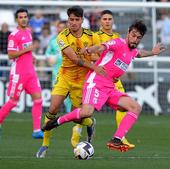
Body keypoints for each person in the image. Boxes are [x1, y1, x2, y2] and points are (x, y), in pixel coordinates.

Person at [41, 20, 165, 152]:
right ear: (128, 32)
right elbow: (102, 47)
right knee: (87, 112)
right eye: (133, 35)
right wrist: (89, 49)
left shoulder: (132, 51)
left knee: (135, 107)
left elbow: (139, 53)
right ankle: (57, 122)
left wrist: (153, 52)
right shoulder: (118, 43)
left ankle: (116, 139)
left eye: (138, 37)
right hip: (96, 82)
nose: (135, 39)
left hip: (109, 88)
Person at [36, 6, 104, 158]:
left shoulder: (92, 36)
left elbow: (100, 55)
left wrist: (95, 59)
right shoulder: (62, 36)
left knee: (77, 117)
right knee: (53, 108)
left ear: (82, 20)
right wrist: (93, 64)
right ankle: (44, 145)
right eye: (70, 19)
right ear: (68, 20)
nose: (73, 22)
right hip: (65, 76)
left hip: (82, 80)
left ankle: (90, 123)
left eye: (76, 20)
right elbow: (73, 58)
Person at [0, 8, 44, 139]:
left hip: (30, 72)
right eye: (20, 17)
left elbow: (27, 51)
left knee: (38, 99)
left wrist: (32, 56)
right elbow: (10, 54)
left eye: (25, 16)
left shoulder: (29, 32)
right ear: (16, 20)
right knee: (13, 101)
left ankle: (36, 130)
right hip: (19, 73)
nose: (23, 19)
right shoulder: (14, 35)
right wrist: (27, 50)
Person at [96, 10, 135, 148]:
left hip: (114, 79)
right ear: (100, 21)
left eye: (109, 19)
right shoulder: (95, 36)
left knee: (124, 105)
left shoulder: (118, 37)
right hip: (98, 76)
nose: (107, 21)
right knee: (85, 110)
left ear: (113, 21)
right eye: (104, 19)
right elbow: (93, 55)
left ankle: (120, 137)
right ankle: (78, 137)